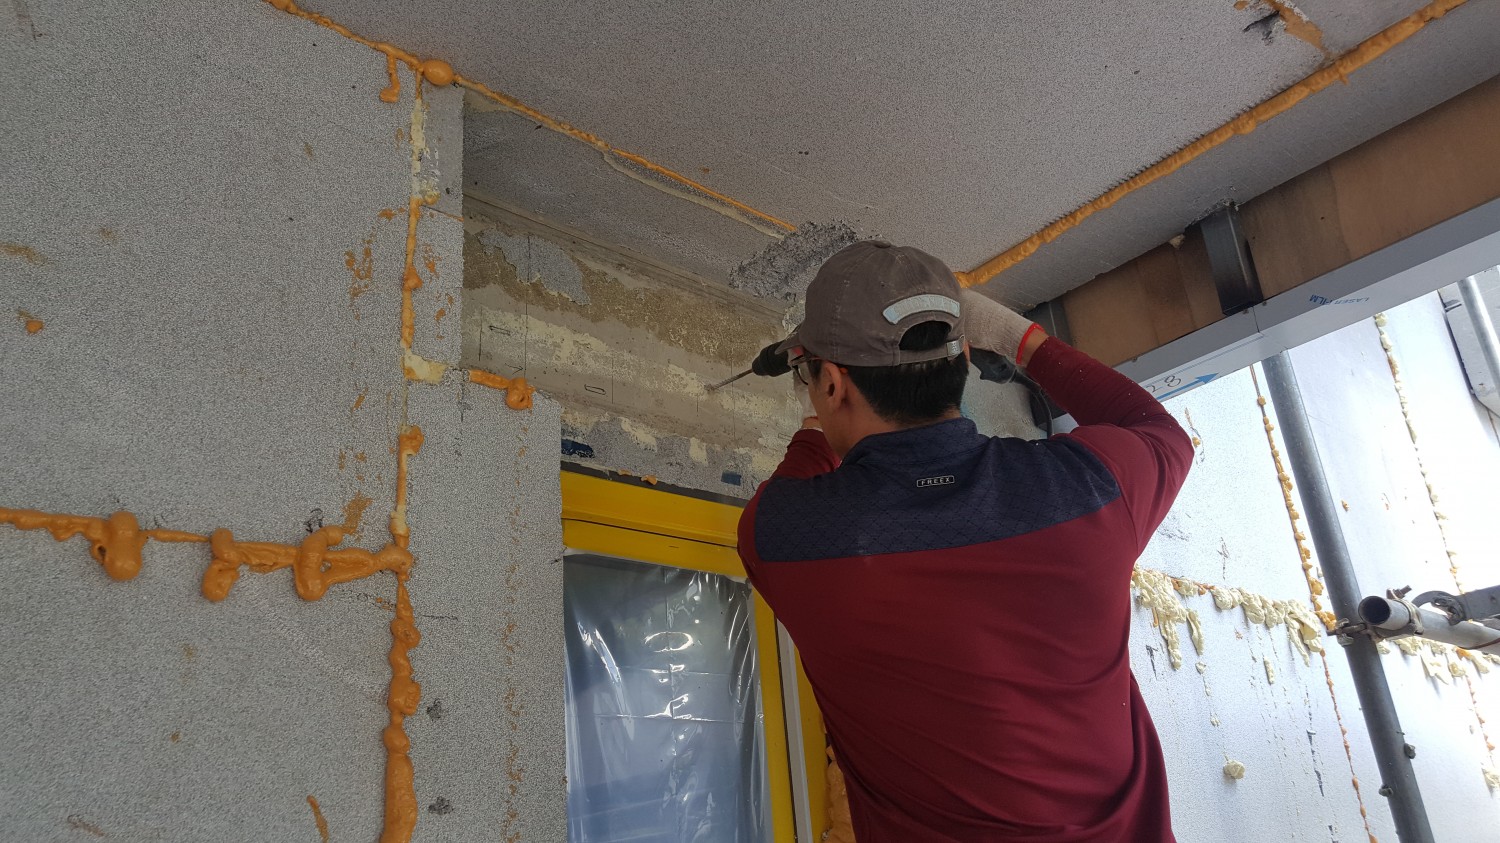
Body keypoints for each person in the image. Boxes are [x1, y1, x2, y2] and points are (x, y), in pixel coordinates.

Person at [736, 240, 1193, 842]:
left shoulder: (786, 536)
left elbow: (800, 476)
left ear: (833, 384)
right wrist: (1018, 337)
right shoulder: (1090, 488)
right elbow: (1156, 428)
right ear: (967, 358)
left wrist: (818, 415)